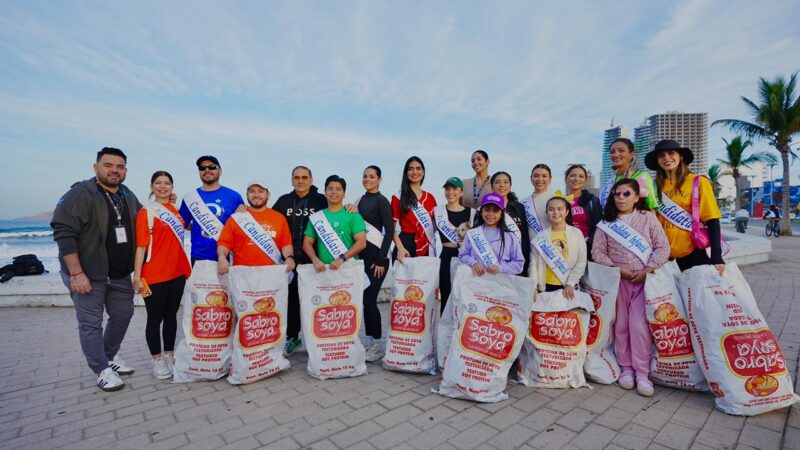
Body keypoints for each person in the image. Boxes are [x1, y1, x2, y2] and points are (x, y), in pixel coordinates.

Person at [51, 147, 142, 392]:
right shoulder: (81, 193)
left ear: (125, 171)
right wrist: (76, 274)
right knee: (91, 324)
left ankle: (109, 357)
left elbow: (147, 220)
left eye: (120, 166)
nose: (114, 170)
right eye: (108, 165)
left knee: (123, 315)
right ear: (96, 167)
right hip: (89, 273)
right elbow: (64, 233)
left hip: (120, 273)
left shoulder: (127, 195)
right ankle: (100, 369)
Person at [591, 179, 670, 397]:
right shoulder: (606, 222)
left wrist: (649, 268)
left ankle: (642, 372)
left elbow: (663, 246)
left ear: (637, 197)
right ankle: (626, 369)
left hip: (644, 281)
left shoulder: (648, 219)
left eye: (627, 194)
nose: (621, 198)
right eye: (617, 194)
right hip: (618, 281)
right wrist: (617, 269)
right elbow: (598, 252)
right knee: (622, 326)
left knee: (639, 326)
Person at [133, 171, 191, 380]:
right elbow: (140, 247)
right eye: (158, 183)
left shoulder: (175, 212)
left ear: (172, 187)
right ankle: (157, 360)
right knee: (154, 318)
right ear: (151, 186)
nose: (163, 187)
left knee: (171, 317)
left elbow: (188, 228)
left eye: (167, 183)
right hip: (154, 274)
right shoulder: (146, 213)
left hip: (177, 272)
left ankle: (169, 355)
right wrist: (137, 276)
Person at [647, 139, 725, 274]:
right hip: (663, 256)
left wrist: (716, 257)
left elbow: (712, 219)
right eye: (661, 155)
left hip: (694, 252)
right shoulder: (653, 186)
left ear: (680, 156)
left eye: (671, 153)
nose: (666, 158)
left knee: (696, 294)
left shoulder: (698, 182)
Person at [272, 166, 327, 357]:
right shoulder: (283, 201)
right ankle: (293, 338)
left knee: (316, 300)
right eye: (296, 177)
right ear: (292, 180)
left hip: (315, 259)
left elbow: (338, 211)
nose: (300, 181)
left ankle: (318, 340)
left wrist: (351, 207)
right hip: (291, 260)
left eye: (304, 177)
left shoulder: (321, 200)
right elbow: (269, 222)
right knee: (293, 300)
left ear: (311, 180)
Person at [355, 166, 395, 362]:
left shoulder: (381, 201)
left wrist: (381, 259)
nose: (367, 179)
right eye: (365, 176)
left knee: (370, 300)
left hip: (377, 261)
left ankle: (378, 344)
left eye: (371, 176)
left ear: (379, 179)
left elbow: (389, 231)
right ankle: (370, 341)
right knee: (364, 301)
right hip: (362, 259)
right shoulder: (360, 200)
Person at [216, 180, 295, 274]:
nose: (256, 195)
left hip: (272, 275)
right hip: (242, 275)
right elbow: (224, 244)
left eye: (261, 191)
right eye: (252, 191)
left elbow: (286, 244)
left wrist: (289, 258)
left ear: (268, 195)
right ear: (247, 194)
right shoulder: (237, 218)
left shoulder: (279, 218)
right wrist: (221, 258)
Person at [178, 155, 244, 264]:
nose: (207, 170)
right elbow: (181, 224)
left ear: (220, 171)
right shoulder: (189, 198)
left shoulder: (234, 196)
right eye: (202, 168)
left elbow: (242, 226)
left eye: (212, 167)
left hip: (229, 255)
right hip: (198, 256)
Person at [303, 175, 368, 271]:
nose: (334, 192)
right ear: (325, 193)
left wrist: (341, 258)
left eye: (338, 189)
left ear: (344, 194)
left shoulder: (353, 215)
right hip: (324, 270)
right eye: (330, 189)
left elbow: (361, 243)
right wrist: (315, 259)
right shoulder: (316, 218)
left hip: (349, 269)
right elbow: (306, 244)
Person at [529, 196, 587, 298]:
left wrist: (571, 283)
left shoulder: (576, 233)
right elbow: (533, 264)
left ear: (567, 212)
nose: (555, 212)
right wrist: (533, 287)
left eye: (560, 209)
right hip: (545, 287)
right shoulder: (540, 237)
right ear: (546, 213)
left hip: (568, 287)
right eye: (551, 209)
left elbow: (581, 261)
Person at [434, 177, 476, 310]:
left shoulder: (472, 212)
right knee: (446, 293)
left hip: (464, 257)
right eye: (447, 189)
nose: (450, 192)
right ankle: (444, 328)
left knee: (464, 294)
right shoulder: (437, 211)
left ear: (461, 192)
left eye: (454, 189)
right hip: (445, 256)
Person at [459, 193, 524, 276]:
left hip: (501, 285)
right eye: (487, 209)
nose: (490, 214)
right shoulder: (472, 233)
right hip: (475, 284)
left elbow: (519, 264)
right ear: (481, 212)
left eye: (495, 210)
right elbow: (462, 255)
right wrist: (473, 263)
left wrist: (500, 268)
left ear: (501, 214)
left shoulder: (510, 236)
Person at [392, 156, 437, 261]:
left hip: (426, 244)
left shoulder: (430, 198)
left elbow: (436, 224)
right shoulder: (398, 197)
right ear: (406, 173)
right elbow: (391, 229)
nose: (414, 172)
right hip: (405, 245)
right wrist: (400, 247)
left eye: (418, 168)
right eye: (410, 169)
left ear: (423, 172)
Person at [600, 138, 659, 210]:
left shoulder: (642, 176)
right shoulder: (611, 181)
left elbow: (651, 206)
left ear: (631, 154)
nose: (616, 154)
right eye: (612, 152)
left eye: (621, 151)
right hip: (614, 220)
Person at [491, 171, 530, 276]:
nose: (502, 185)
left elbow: (524, 236)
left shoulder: (519, 207)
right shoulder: (486, 208)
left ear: (510, 185)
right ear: (492, 186)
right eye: (497, 182)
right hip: (493, 261)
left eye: (506, 182)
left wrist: (525, 261)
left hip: (514, 260)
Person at [561, 164, 603, 257]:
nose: (576, 179)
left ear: (585, 181)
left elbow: (598, 227)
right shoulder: (559, 201)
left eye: (581, 176)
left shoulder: (592, 200)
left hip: (587, 249)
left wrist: (587, 245)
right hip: (565, 249)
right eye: (572, 175)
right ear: (565, 179)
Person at [521, 164, 553, 240]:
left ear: (550, 179)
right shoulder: (523, 202)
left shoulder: (557, 200)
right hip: (531, 249)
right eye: (536, 176)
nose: (539, 179)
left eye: (544, 176)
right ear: (531, 178)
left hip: (554, 247)